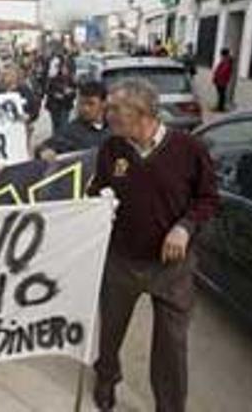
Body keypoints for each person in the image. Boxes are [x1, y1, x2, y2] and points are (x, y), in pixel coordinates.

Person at [87, 78, 218, 412]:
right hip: (121, 261)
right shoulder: (112, 148)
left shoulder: (190, 149)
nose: (107, 113)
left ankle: (170, 407)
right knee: (111, 331)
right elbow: (97, 188)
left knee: (172, 346)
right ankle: (106, 378)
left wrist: (186, 227)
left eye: (116, 108)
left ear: (142, 112)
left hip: (171, 268)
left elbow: (208, 199)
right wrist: (98, 201)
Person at [37, 82, 109, 161]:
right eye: (82, 103)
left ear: (103, 104)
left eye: (91, 104)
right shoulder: (71, 131)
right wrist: (44, 151)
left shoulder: (114, 128)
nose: (85, 109)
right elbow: (46, 146)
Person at [45, 61, 76, 133]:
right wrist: (55, 94)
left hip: (65, 106)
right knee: (55, 125)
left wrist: (69, 93)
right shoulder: (54, 79)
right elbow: (48, 91)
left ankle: (61, 141)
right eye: (63, 68)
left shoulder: (71, 80)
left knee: (63, 126)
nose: (64, 70)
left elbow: (74, 94)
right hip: (54, 106)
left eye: (66, 69)